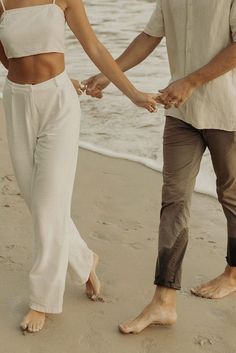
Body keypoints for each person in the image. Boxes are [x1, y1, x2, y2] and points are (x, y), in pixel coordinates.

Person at [0, 0, 159, 333]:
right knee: (36, 199)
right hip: (16, 101)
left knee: (47, 207)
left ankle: (41, 301)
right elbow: (5, 54)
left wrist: (131, 94)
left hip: (58, 104)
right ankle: (84, 259)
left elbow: (96, 49)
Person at [84, 0, 236, 334]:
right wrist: (111, 74)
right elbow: (149, 36)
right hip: (180, 113)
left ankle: (233, 272)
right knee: (174, 201)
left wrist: (192, 81)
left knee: (231, 196)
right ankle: (164, 300)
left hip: (228, 111)